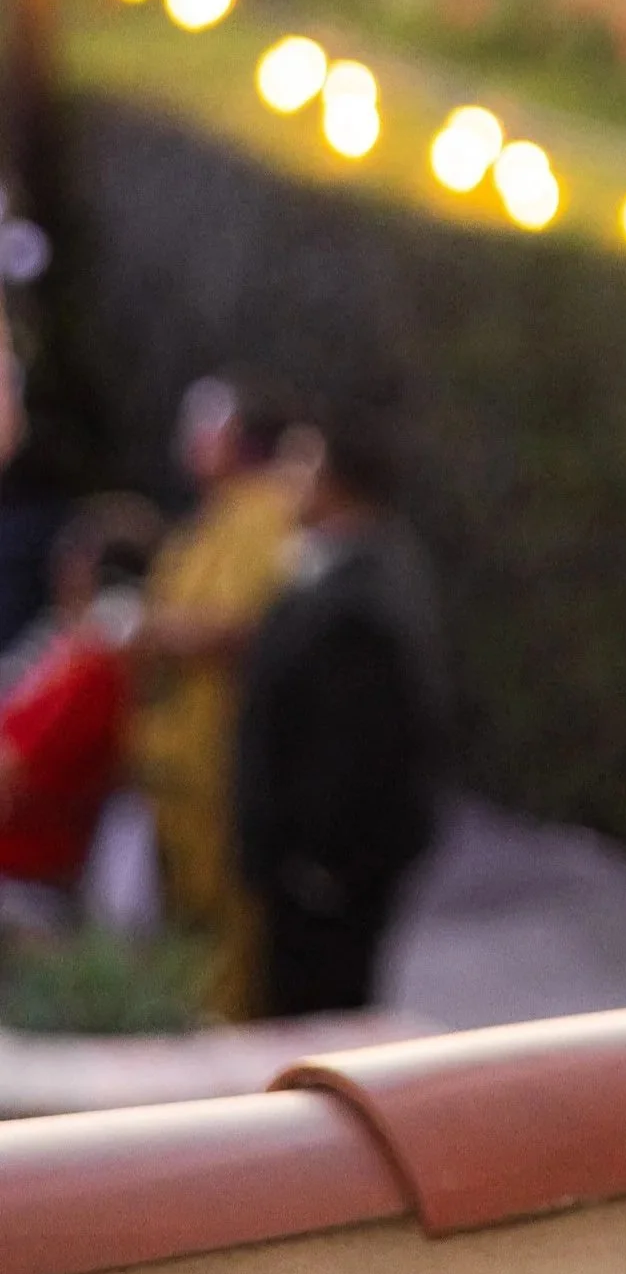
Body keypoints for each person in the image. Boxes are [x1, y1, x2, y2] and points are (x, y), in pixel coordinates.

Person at [233, 411, 447, 1020]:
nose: (286, 480)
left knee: (315, 1026)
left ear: (337, 481)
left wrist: (319, 866)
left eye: (301, 464)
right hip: (302, 875)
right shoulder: (330, 571)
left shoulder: (362, 599)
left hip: (326, 884)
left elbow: (363, 745)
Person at [130, 372, 306, 1021]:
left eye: (204, 428)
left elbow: (246, 625)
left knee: (228, 923)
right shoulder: (211, 517)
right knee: (185, 920)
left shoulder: (262, 515)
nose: (190, 442)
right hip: (180, 767)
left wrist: (157, 633)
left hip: (223, 760)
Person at [0, 494, 162, 909]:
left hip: (25, 880)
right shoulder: (66, 648)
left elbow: (10, 771)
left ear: (83, 569)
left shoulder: (92, 668)